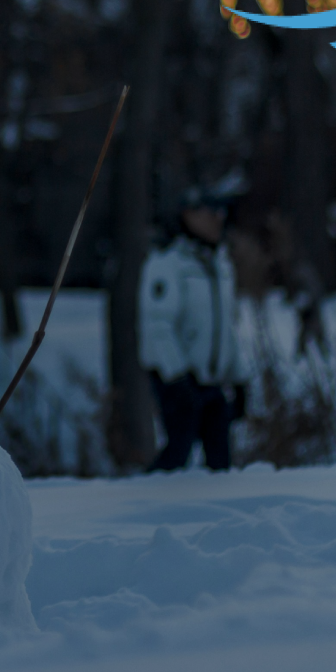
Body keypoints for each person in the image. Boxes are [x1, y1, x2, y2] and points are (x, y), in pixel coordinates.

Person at [139, 187, 249, 472]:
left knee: (220, 461)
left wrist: (239, 378)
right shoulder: (168, 263)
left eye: (220, 212)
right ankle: (144, 506)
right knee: (178, 453)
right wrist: (177, 377)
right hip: (176, 378)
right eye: (210, 212)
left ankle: (216, 515)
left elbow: (227, 328)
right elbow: (158, 325)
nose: (218, 219)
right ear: (188, 215)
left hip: (211, 381)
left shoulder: (220, 264)